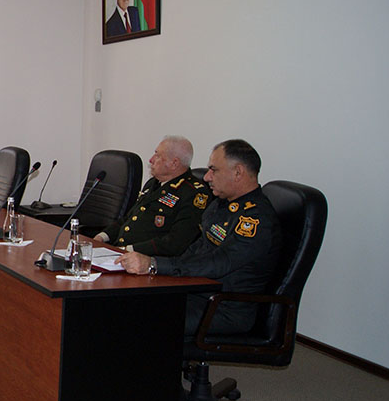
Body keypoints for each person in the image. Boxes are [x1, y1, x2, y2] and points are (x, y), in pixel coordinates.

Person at [118, 139, 281, 338]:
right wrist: (160, 272)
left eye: (214, 170)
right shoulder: (221, 204)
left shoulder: (256, 220)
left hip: (223, 307)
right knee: (126, 303)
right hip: (196, 292)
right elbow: (197, 248)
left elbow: (217, 263)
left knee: (139, 319)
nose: (207, 177)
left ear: (238, 172)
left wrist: (154, 265)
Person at [95, 136, 211, 257]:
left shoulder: (193, 193)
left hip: (148, 259)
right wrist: (102, 237)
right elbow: (130, 218)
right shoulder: (153, 183)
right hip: (123, 253)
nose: (151, 160)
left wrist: (127, 249)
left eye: (158, 156)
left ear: (174, 163)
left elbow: (176, 242)